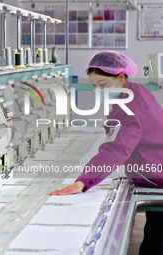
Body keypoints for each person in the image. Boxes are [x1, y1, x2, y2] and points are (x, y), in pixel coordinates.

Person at [48, 50, 163, 255]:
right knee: (155, 231)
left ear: (120, 77)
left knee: (157, 239)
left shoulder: (129, 104)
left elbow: (116, 149)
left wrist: (83, 181)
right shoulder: (134, 90)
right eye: (94, 87)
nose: (98, 91)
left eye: (102, 85)